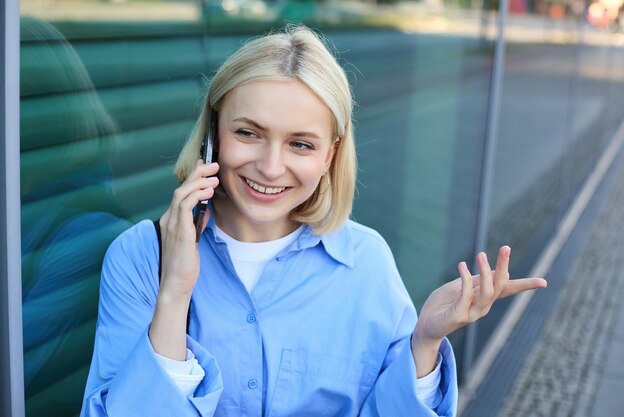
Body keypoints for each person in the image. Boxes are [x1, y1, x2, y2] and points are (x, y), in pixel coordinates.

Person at [80, 25, 546, 417]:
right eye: (248, 133)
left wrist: (424, 344)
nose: (270, 166)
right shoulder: (141, 257)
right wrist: (175, 292)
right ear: (212, 136)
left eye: (300, 144)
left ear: (330, 156)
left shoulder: (365, 263)